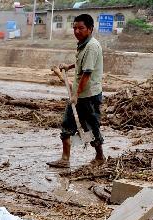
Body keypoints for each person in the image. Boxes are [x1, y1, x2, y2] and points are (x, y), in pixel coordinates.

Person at [47, 13, 105, 169]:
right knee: (67, 124)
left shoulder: (92, 46)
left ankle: (100, 157)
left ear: (90, 29)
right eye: (75, 28)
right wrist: (69, 67)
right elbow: (81, 63)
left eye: (81, 28)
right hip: (78, 94)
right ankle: (65, 159)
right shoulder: (83, 45)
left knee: (91, 127)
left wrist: (75, 95)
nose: (77, 31)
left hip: (89, 96)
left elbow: (86, 74)